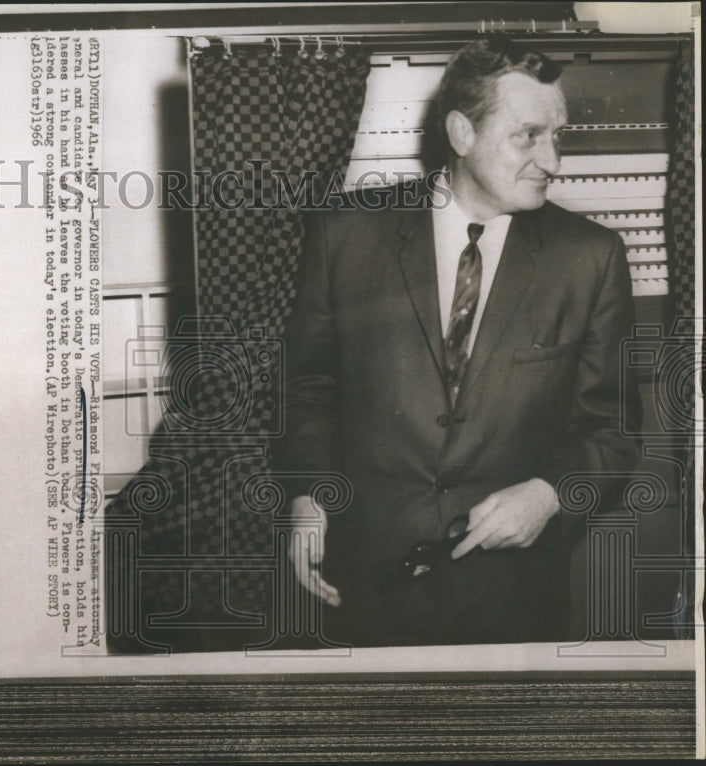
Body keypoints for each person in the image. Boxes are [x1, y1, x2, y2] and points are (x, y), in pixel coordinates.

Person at [274, 36, 641, 647]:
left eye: (559, 137)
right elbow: (310, 387)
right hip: (361, 589)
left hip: (512, 601)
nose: (552, 160)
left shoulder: (591, 258)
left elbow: (614, 427)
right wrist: (308, 498)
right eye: (529, 135)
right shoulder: (345, 235)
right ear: (462, 133)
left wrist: (551, 496)